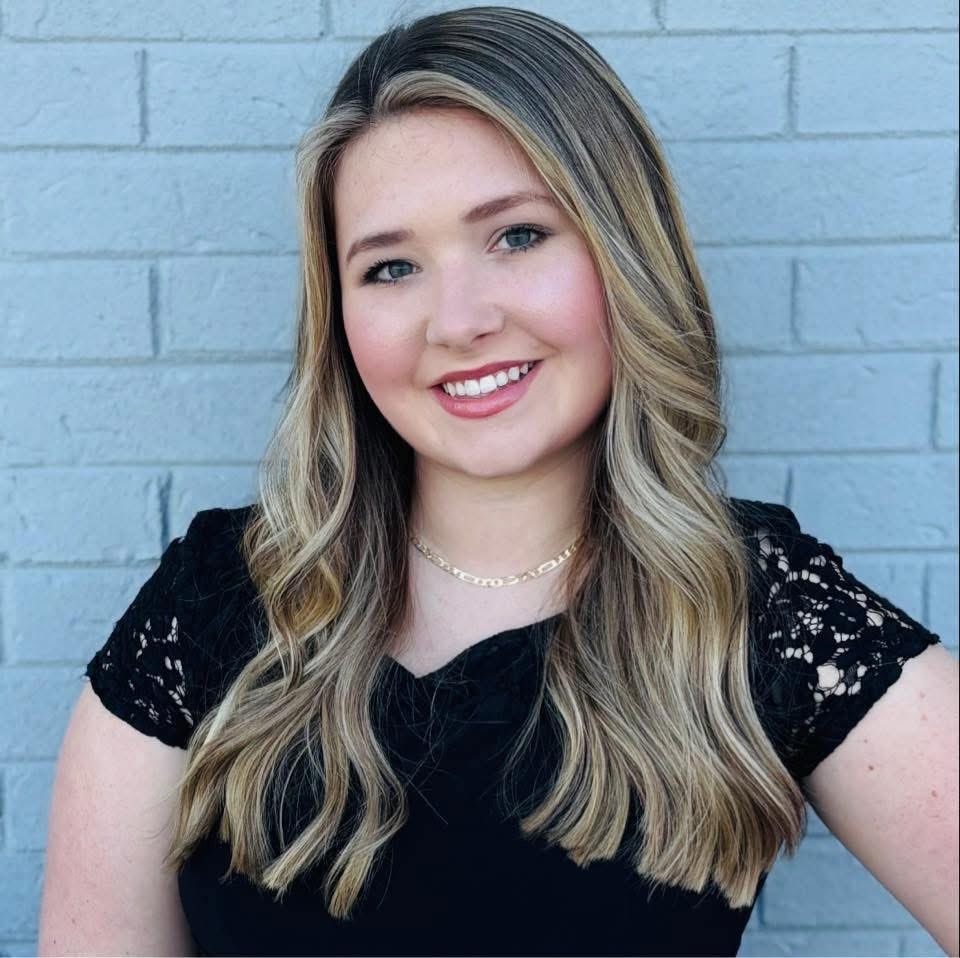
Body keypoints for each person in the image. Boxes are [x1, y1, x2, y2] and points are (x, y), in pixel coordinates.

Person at [38, 6, 958, 957]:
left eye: (517, 236)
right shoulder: (212, 606)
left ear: (622, 252)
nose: (458, 321)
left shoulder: (754, 608)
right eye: (391, 267)